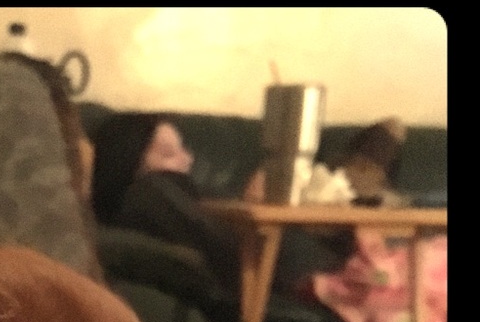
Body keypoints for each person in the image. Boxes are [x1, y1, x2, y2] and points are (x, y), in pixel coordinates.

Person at [88, 112, 404, 297]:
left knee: (349, 176)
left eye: (183, 148)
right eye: (169, 152)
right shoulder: (150, 192)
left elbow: (215, 232)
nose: (188, 159)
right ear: (127, 161)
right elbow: (228, 245)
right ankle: (362, 183)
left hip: (313, 244)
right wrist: (255, 210)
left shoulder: (178, 194)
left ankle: (360, 180)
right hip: (306, 261)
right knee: (363, 172)